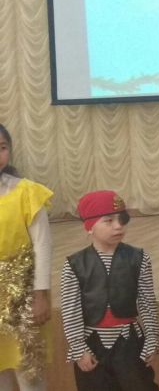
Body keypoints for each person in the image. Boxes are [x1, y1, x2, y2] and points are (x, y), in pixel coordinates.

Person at [60, 190, 159, 391]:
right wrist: (79, 348)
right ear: (89, 226)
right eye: (108, 221)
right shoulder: (74, 264)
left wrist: (152, 338)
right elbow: (71, 311)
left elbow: (147, 302)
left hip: (129, 342)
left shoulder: (139, 258)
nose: (118, 226)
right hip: (92, 345)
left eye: (121, 220)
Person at [0, 124, 53, 391]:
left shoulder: (26, 192)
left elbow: (43, 246)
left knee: (29, 373)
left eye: (2, 147)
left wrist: (39, 295)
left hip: (22, 296)